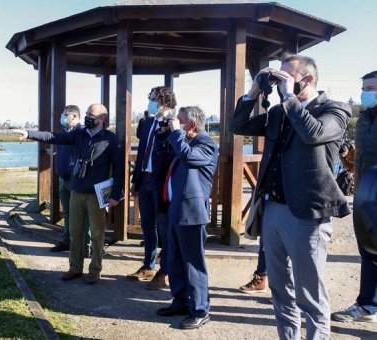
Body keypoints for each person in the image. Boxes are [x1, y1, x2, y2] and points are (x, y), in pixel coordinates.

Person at [230, 54, 352, 339]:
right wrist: (254, 91)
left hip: (307, 215)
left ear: (307, 79)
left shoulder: (334, 110)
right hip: (273, 210)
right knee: (280, 288)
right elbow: (239, 127)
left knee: (309, 292)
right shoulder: (279, 112)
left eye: (286, 77)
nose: (280, 81)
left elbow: (313, 133)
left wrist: (288, 98)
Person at [12, 104, 123, 284]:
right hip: (76, 191)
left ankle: (95, 270)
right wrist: (29, 133)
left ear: (102, 119)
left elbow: (119, 169)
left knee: (96, 234)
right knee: (75, 232)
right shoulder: (79, 134)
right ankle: (75, 268)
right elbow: (54, 136)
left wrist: (115, 195)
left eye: (90, 114)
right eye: (86, 113)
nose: (86, 117)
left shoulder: (110, 139)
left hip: (96, 194)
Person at [156, 106, 218, 330]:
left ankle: (201, 309)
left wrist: (175, 133)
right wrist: (165, 127)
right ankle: (180, 300)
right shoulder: (184, 140)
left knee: (193, 264)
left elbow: (189, 157)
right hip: (175, 210)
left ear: (191, 125)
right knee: (174, 260)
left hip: (192, 214)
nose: (176, 124)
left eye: (180, 121)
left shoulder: (206, 144)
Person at [331, 70, 377, 323]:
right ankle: (368, 306)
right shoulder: (363, 120)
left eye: (371, 88)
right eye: (364, 88)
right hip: (364, 197)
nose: (365, 93)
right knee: (369, 253)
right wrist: (347, 159)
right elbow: (357, 161)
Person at [127, 86, 177, 290]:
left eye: (154, 99)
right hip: (145, 179)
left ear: (165, 101)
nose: (150, 102)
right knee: (147, 226)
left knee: (164, 228)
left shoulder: (174, 124)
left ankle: (165, 270)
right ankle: (148, 265)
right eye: (150, 98)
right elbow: (141, 155)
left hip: (162, 182)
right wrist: (135, 181)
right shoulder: (148, 122)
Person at [50, 105, 92, 256]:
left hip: (76, 179)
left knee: (83, 214)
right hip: (63, 178)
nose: (62, 117)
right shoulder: (63, 133)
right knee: (67, 212)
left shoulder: (81, 133)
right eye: (62, 114)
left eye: (65, 115)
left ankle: (85, 245)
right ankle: (66, 241)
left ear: (75, 117)